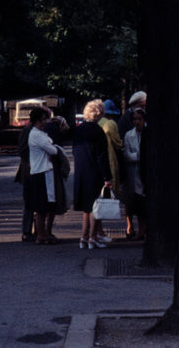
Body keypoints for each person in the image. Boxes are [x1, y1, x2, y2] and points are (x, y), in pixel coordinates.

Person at [72, 100, 112, 249]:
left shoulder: (78, 130)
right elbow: (102, 156)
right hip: (94, 172)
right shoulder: (98, 131)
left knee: (86, 208)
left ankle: (83, 237)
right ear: (99, 113)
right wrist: (107, 177)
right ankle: (92, 238)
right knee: (95, 206)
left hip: (81, 171)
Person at [26, 107, 62, 244]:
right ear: (35, 121)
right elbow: (53, 150)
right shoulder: (36, 135)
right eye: (42, 120)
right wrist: (53, 149)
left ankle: (45, 233)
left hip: (45, 171)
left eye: (45, 119)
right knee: (41, 207)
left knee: (48, 205)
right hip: (41, 172)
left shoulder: (40, 133)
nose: (44, 122)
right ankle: (41, 235)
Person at [95, 99, 123, 244]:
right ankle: (100, 232)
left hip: (97, 164)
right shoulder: (111, 124)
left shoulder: (96, 123)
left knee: (97, 200)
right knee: (108, 195)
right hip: (110, 161)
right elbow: (118, 144)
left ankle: (97, 231)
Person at [121, 107, 147, 240]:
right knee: (130, 202)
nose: (137, 122)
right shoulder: (128, 135)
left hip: (144, 173)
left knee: (143, 204)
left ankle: (142, 230)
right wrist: (139, 156)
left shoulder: (148, 133)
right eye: (135, 119)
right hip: (131, 173)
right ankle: (129, 227)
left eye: (139, 119)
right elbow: (126, 154)